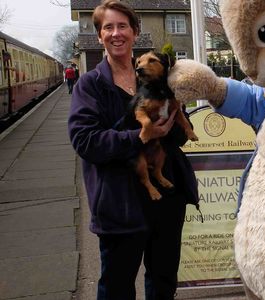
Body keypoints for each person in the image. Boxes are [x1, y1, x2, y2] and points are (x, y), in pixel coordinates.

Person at [67, 1, 199, 299]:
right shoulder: (90, 85)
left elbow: (178, 132)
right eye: (108, 27)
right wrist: (138, 137)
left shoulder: (158, 78)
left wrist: (173, 126)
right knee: (117, 286)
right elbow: (85, 142)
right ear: (99, 35)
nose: (116, 33)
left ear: (135, 32)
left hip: (166, 198)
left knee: (164, 280)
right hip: (119, 202)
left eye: (123, 26)